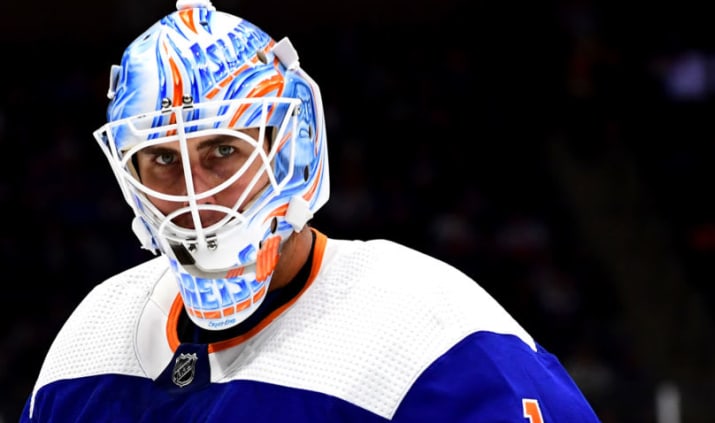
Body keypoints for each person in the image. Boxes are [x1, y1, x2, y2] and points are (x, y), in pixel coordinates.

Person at [20, 0, 601, 421]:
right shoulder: (89, 342)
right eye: (163, 159)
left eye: (223, 150)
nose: (195, 195)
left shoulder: (433, 339)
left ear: (288, 147)